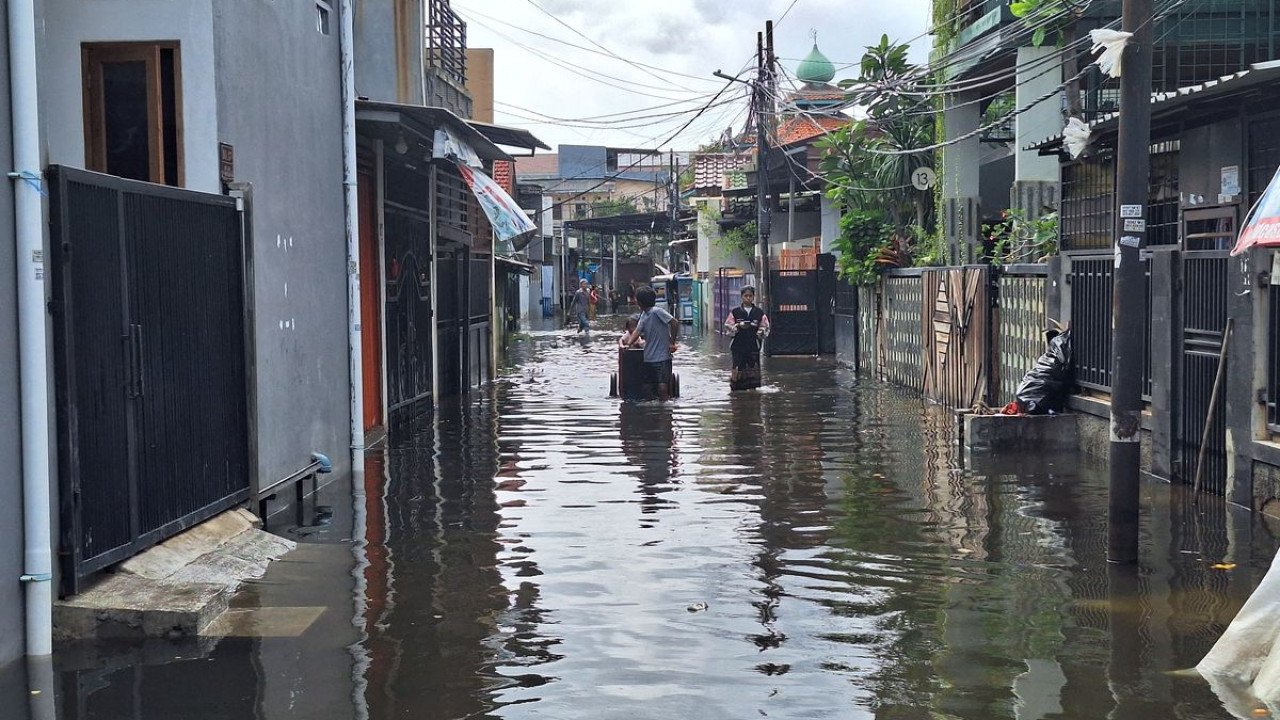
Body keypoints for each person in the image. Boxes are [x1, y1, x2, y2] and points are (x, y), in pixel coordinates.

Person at [624, 286, 679, 401]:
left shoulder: (657, 311)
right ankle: (653, 410)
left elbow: (674, 323)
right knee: (647, 386)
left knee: (662, 387)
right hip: (649, 357)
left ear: (640, 302)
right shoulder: (643, 315)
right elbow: (637, 332)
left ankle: (664, 410)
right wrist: (628, 344)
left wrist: (672, 343)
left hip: (662, 357)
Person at [724, 285, 770, 389]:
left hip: (753, 346)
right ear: (742, 297)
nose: (748, 298)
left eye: (750, 296)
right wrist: (737, 326)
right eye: (746, 296)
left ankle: (752, 391)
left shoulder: (759, 313)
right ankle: (737, 390)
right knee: (738, 368)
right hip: (738, 347)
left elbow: (765, 327)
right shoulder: (735, 312)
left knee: (753, 369)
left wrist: (760, 332)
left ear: (753, 297)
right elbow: (727, 326)